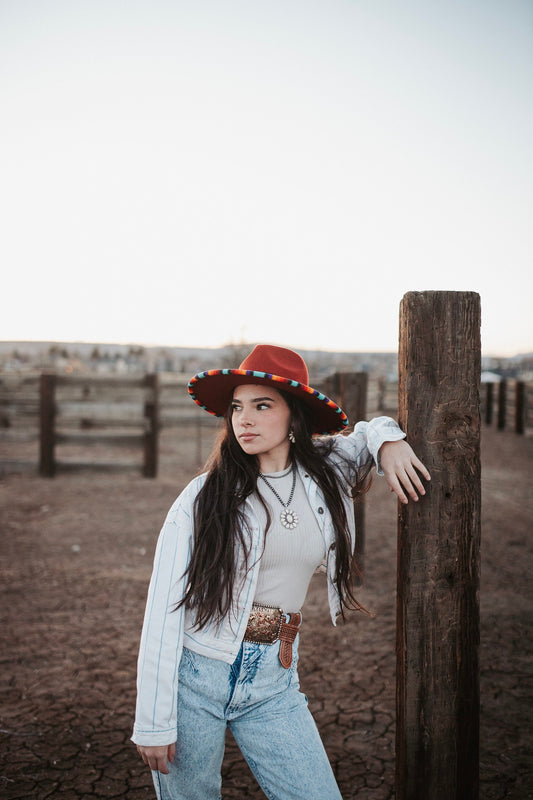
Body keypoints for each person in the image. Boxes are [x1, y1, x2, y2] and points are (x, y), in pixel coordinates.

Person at [132, 344, 430, 800]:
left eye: (262, 405)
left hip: (273, 681)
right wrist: (153, 722)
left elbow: (370, 430)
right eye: (236, 407)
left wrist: (390, 444)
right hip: (195, 680)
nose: (243, 420)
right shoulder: (203, 496)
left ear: (295, 418)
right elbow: (161, 610)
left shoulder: (328, 471)